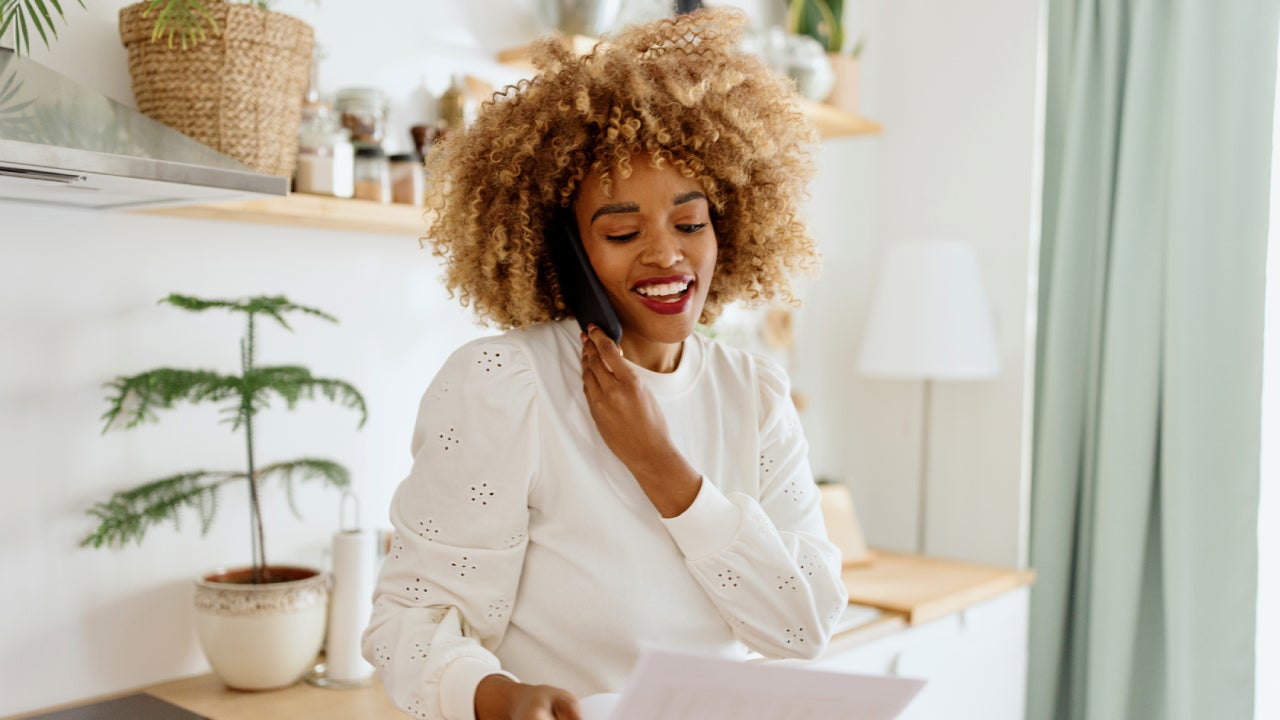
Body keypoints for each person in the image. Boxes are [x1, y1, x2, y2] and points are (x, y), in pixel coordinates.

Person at [363, 8, 848, 720]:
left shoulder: (755, 394)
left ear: (728, 226)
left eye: (690, 224)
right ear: (562, 248)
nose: (666, 255)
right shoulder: (507, 385)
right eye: (622, 231)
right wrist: (496, 696)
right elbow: (406, 623)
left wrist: (660, 464)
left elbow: (802, 627)